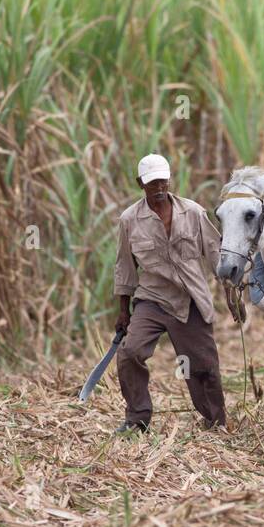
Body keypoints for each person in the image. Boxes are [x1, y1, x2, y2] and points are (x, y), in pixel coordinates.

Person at [112, 153, 228, 433]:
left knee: (204, 365)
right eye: (153, 184)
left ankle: (216, 422)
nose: (160, 188)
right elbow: (125, 267)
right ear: (140, 183)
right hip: (152, 299)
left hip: (190, 300)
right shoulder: (129, 220)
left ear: (169, 179)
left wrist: (232, 292)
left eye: (163, 181)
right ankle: (137, 418)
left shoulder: (194, 213)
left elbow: (216, 255)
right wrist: (123, 311)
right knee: (130, 353)